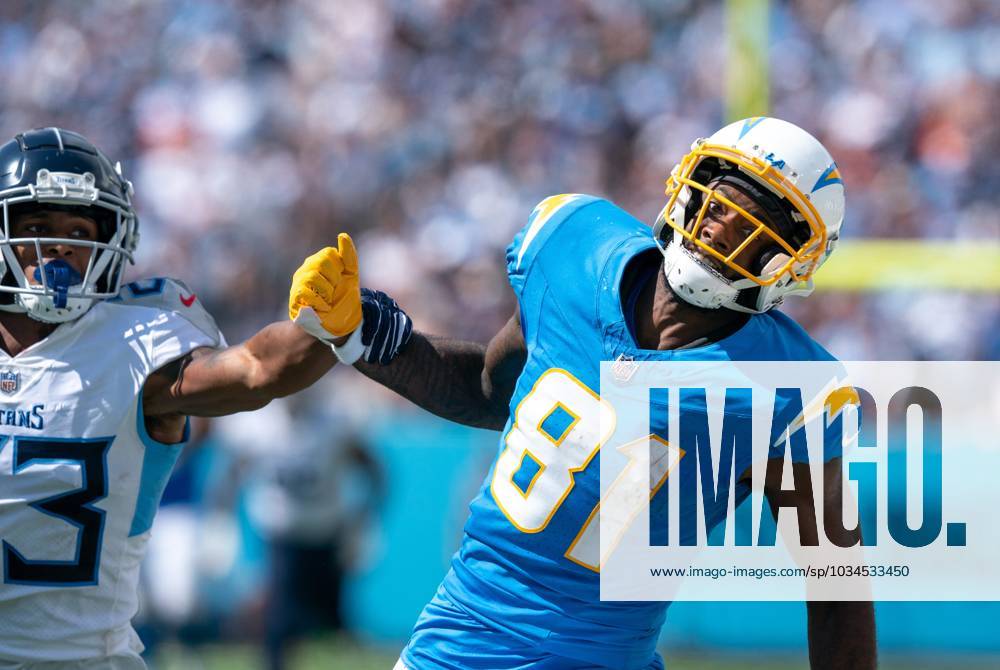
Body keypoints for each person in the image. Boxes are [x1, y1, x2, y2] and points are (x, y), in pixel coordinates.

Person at [289, 117, 877, 669]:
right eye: (719, 202)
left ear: (785, 264)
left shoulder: (787, 389)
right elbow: (493, 390)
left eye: (754, 227)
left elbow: (837, 587)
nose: (720, 228)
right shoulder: (573, 244)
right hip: (461, 639)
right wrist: (362, 336)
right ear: (688, 187)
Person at [0, 127, 347, 670]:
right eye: (38, 226)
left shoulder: (136, 345)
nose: (61, 244)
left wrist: (329, 327)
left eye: (78, 227)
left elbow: (257, 370)